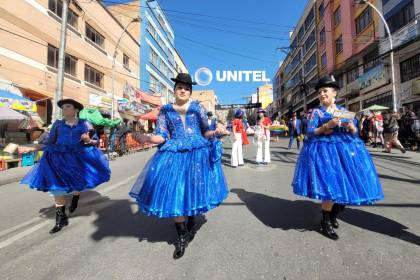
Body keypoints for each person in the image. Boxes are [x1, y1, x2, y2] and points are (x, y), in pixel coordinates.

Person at [129, 73, 228, 259]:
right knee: (175, 191)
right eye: (180, 87)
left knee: (192, 189)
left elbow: (206, 131)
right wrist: (147, 138)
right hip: (174, 153)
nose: (183, 90)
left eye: (187, 88)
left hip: (197, 152)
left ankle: (191, 218)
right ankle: (182, 236)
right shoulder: (165, 110)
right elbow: (161, 135)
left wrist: (217, 132)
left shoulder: (197, 107)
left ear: (190, 92)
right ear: (174, 90)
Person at [292, 76, 383, 240]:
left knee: (346, 186)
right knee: (330, 188)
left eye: (325, 91)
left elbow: (355, 132)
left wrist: (350, 127)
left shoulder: (344, 111)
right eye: (320, 92)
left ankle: (333, 215)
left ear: (334, 93)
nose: (322, 94)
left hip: (346, 153)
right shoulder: (316, 112)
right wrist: (327, 126)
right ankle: (325, 222)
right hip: (324, 153)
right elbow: (311, 133)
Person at [21, 99, 111, 234]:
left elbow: (96, 142)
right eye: (62, 107)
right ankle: (60, 219)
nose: (64, 109)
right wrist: (32, 149)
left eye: (67, 107)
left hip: (78, 159)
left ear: (76, 110)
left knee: (77, 184)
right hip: (57, 159)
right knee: (58, 189)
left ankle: (75, 197)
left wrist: (88, 140)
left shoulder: (85, 123)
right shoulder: (57, 124)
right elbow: (50, 143)